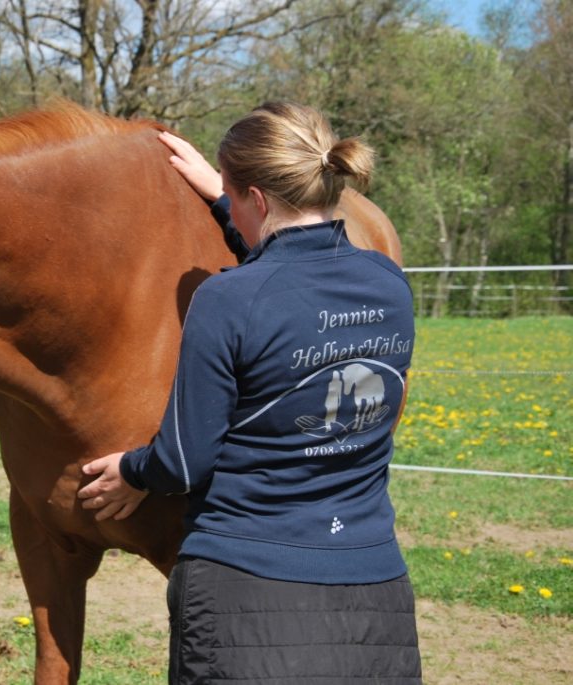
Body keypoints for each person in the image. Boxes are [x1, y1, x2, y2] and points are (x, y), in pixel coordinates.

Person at [77, 102, 422, 683]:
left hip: (247, 593)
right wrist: (224, 194)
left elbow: (185, 461)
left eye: (235, 201)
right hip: (374, 595)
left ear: (257, 201)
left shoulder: (226, 300)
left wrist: (133, 471)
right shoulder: (388, 282)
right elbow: (294, 287)